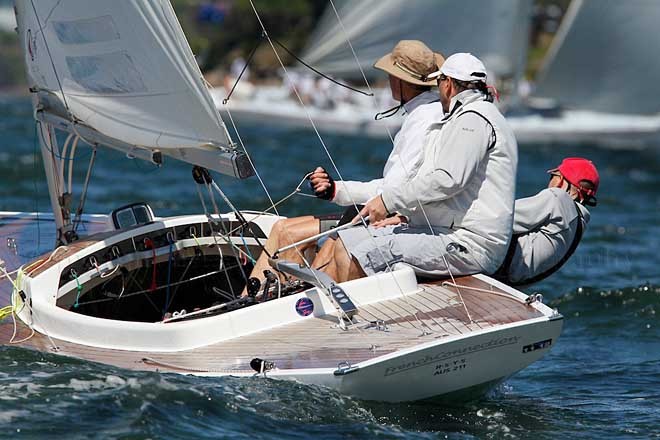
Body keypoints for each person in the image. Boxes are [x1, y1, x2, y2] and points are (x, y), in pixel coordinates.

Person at [243, 40, 445, 294]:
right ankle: (261, 304)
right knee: (283, 230)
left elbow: (392, 191)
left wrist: (336, 191)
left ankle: (267, 309)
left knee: (295, 237)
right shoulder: (425, 111)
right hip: (388, 212)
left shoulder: (423, 119)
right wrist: (335, 190)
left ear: (400, 81)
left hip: (397, 219)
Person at [313, 53, 518, 283]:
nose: (437, 90)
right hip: (450, 232)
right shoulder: (475, 115)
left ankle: (350, 317)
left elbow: (447, 180)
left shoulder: (473, 119)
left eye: (439, 83)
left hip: (470, 243)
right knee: (346, 242)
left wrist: (388, 202)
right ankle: (324, 313)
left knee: (356, 253)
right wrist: (404, 217)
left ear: (448, 84)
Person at [493, 157, 599, 286]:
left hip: (496, 266)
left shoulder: (558, 198)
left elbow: (502, 218)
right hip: (513, 283)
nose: (550, 182)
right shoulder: (579, 225)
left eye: (553, 176)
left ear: (562, 181)